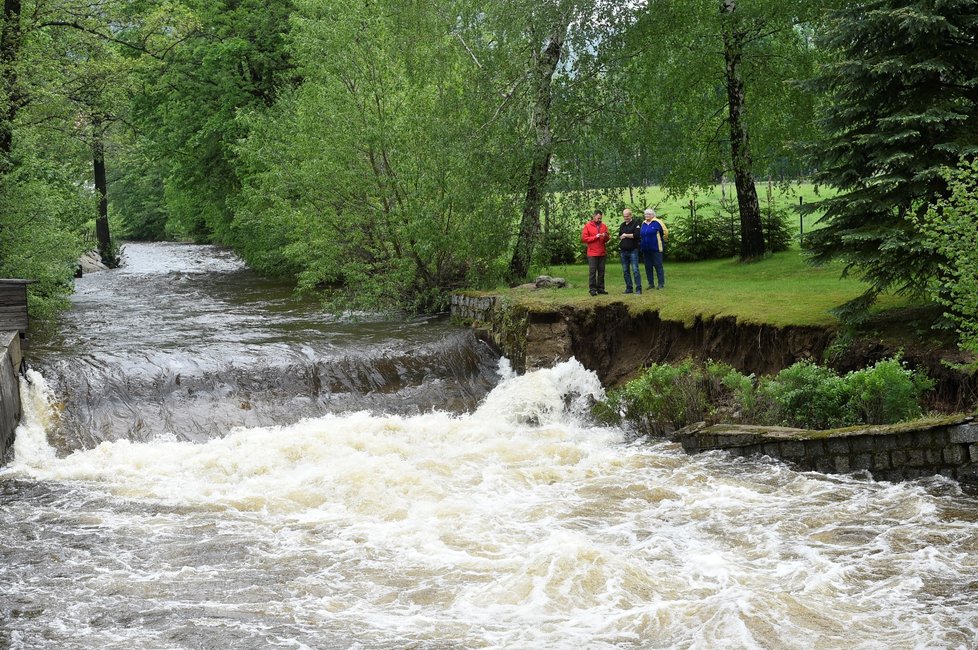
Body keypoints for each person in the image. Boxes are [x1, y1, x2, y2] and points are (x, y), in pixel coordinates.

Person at [581, 209, 609, 295]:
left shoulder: (604, 226)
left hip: (602, 252)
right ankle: (592, 289)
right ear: (594, 217)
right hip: (592, 253)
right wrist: (595, 237)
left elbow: (607, 238)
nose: (599, 220)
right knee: (592, 272)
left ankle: (601, 288)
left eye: (600, 218)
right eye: (598, 218)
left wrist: (605, 236)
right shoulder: (587, 226)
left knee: (601, 271)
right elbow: (584, 239)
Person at [639, 208, 668, 290]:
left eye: (649, 214)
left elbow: (665, 232)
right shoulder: (643, 223)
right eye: (646, 214)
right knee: (648, 266)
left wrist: (662, 240)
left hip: (656, 248)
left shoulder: (657, 222)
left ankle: (661, 283)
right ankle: (651, 283)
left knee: (658, 265)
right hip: (646, 249)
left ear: (653, 215)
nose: (647, 216)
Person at [618, 208, 642, 294]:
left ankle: (638, 288)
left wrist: (626, 235)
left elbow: (636, 235)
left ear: (631, 215)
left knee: (635, 270)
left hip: (633, 251)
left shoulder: (636, 223)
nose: (626, 218)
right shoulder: (622, 225)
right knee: (625, 271)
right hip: (623, 251)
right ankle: (629, 288)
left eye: (627, 216)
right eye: (624, 216)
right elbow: (620, 236)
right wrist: (623, 236)